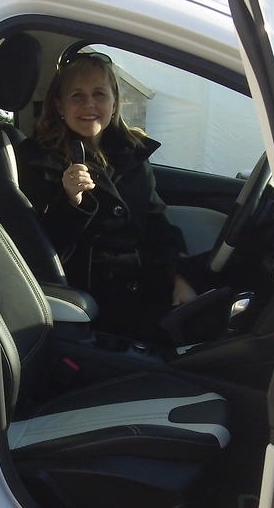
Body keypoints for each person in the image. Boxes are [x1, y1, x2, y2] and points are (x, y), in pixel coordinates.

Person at [16, 50, 197, 342]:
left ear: (114, 102)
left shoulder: (132, 153)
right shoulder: (35, 161)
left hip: (145, 285)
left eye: (99, 94)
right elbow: (36, 252)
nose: (89, 104)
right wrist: (71, 201)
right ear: (59, 105)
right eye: (77, 95)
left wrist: (179, 278)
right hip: (91, 303)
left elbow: (159, 225)